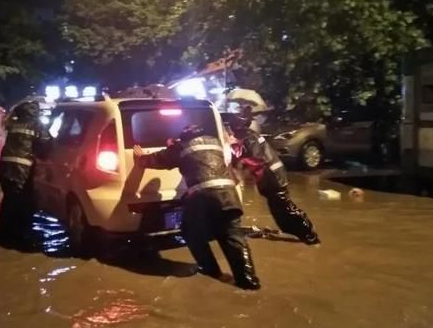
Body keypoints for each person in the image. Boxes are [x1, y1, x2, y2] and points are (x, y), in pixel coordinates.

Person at [134, 125, 261, 290]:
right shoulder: (215, 142)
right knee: (233, 235)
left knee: (191, 233)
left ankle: (211, 270)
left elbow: (155, 160)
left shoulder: (180, 147)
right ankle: (248, 281)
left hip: (203, 197)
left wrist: (140, 156)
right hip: (229, 195)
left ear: (184, 137)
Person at [226, 114, 320, 245]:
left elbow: (255, 158)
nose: (229, 131)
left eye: (230, 128)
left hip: (272, 176)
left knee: (285, 207)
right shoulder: (249, 135)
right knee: (277, 208)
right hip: (272, 175)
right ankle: (295, 233)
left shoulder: (249, 138)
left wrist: (239, 158)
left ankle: (310, 235)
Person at [0, 100, 50, 242]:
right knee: (23, 201)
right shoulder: (37, 125)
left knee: (8, 198)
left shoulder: (13, 124)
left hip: (4, 167)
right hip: (21, 170)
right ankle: (21, 234)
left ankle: (4, 231)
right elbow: (46, 145)